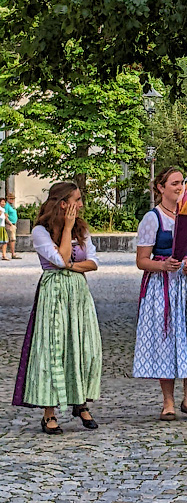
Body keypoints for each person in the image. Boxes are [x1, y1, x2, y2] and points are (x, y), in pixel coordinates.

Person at [12, 182, 102, 434]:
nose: (81, 204)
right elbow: (60, 259)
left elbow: (93, 262)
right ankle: (49, 413)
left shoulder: (82, 230)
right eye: (77, 199)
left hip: (78, 294)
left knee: (82, 346)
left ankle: (80, 403)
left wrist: (71, 267)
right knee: (52, 348)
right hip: (53, 293)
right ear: (64, 203)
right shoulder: (41, 231)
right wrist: (67, 231)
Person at [132, 165, 187, 421]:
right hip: (163, 286)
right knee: (166, 339)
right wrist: (162, 265)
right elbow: (141, 260)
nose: (180, 187)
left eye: (182, 183)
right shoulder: (152, 218)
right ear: (160, 188)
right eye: (174, 183)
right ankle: (168, 401)